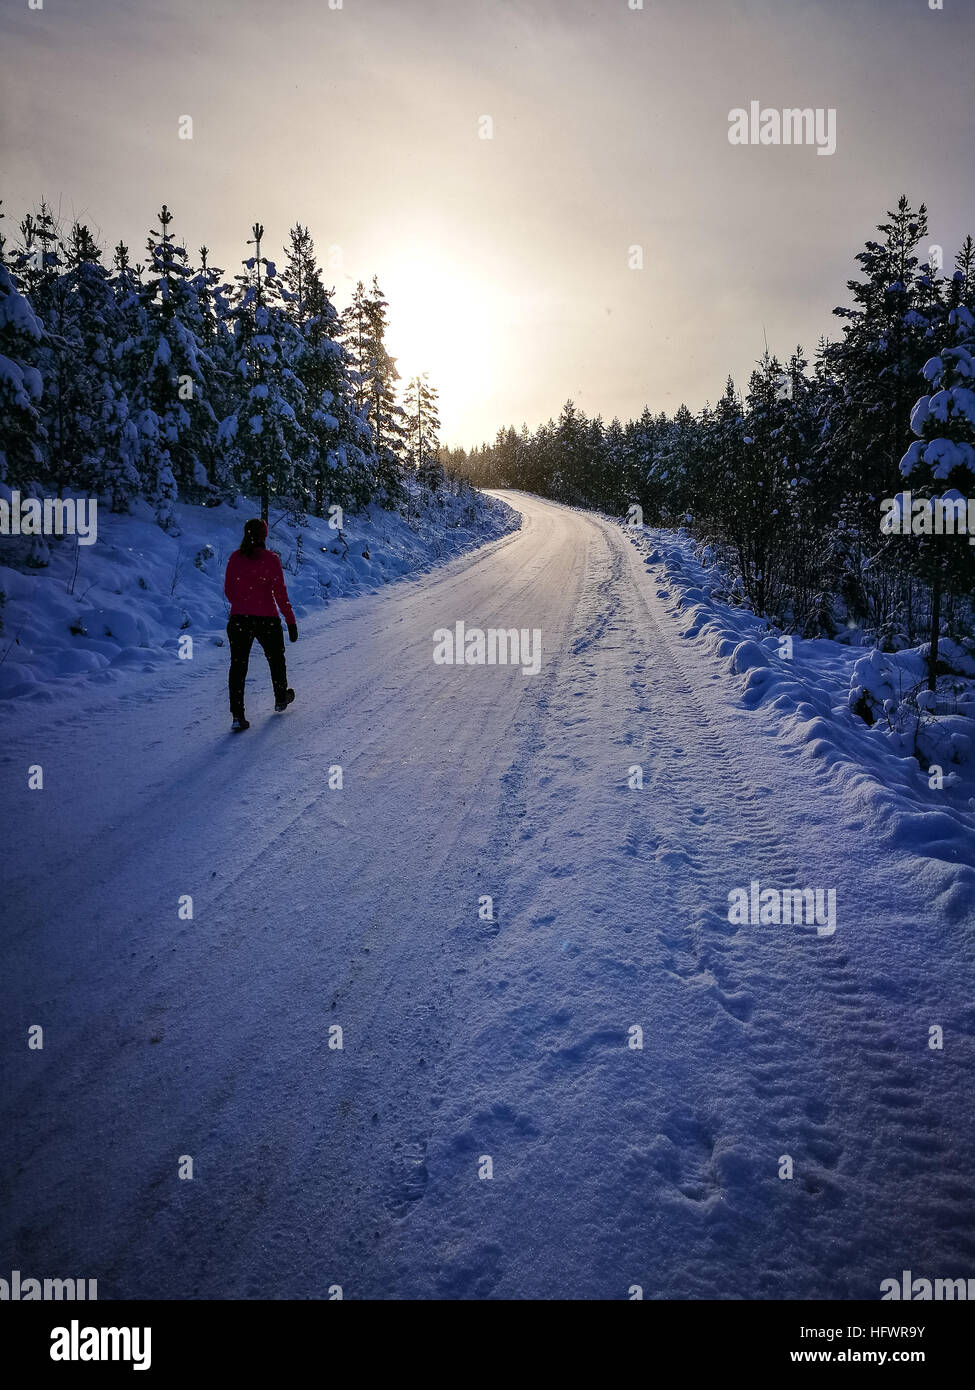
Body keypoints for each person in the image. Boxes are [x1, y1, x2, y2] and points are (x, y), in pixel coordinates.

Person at [223, 518, 298, 731]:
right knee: (276, 659)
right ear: (264, 536)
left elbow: (229, 590)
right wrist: (290, 620)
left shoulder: (235, 558)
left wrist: (242, 604)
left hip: (239, 620)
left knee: (238, 666)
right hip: (266, 618)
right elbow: (280, 593)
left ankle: (238, 715)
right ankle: (280, 697)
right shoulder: (271, 559)